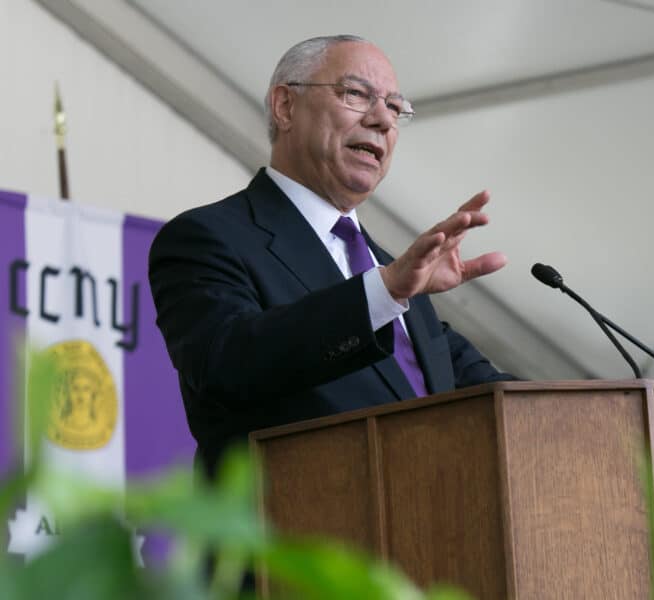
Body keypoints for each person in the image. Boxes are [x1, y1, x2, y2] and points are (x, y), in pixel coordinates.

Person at [149, 34, 515, 478]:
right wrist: (383, 292)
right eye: (357, 94)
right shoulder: (206, 238)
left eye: (396, 108)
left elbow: (493, 395)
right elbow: (228, 366)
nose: (382, 119)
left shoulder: (392, 271)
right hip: (287, 537)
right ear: (285, 106)